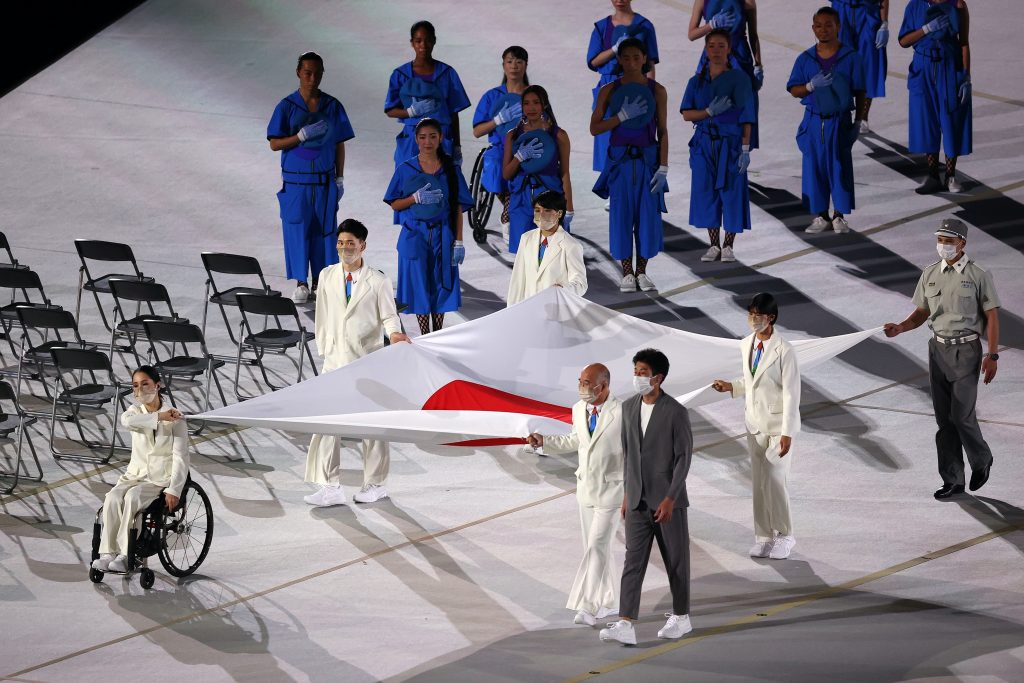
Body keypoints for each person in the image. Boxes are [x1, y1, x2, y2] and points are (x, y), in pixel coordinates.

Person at [884, 218, 999, 499]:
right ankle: (953, 479)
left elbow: (992, 316)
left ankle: (981, 459)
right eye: (941, 240)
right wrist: (901, 327)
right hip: (937, 350)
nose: (943, 245)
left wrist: (992, 354)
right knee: (945, 420)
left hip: (967, 350)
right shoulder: (930, 273)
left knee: (962, 415)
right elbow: (922, 312)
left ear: (962, 243)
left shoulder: (978, 275)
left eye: (949, 240)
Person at [304, 219, 412, 507]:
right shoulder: (327, 275)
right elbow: (323, 313)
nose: (344, 248)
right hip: (335, 359)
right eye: (340, 242)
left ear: (362, 245)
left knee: (373, 427)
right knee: (326, 423)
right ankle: (330, 486)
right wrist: (324, 346)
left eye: (350, 243)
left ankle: (376, 484)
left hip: (367, 361)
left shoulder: (377, 281)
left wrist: (395, 334)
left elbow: (389, 316)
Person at [601, 349, 693, 645]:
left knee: (676, 561)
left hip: (667, 502)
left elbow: (683, 458)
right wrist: (628, 493)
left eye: (643, 371)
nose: (637, 376)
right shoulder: (628, 408)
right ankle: (626, 622)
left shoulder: (676, 412)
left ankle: (681, 617)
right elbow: (628, 454)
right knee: (633, 561)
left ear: (658, 377)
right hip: (637, 500)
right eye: (636, 370)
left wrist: (671, 498)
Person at [527, 363, 623, 626]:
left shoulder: (622, 412)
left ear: (602, 386)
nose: (581, 387)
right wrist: (544, 441)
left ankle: (588, 606)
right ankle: (611, 601)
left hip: (613, 491)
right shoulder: (578, 408)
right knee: (597, 550)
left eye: (586, 383)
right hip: (586, 490)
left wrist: (633, 492)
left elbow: (635, 454)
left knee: (596, 547)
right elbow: (574, 440)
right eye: (579, 381)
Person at [712, 293, 801, 560]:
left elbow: (791, 393)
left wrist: (787, 432)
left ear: (770, 317)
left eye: (757, 315)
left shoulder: (785, 350)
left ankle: (785, 535)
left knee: (775, 479)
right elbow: (751, 380)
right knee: (760, 483)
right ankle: (763, 536)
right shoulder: (746, 344)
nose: (752, 319)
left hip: (778, 427)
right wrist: (732, 386)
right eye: (750, 314)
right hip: (754, 424)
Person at [267, 51, 355, 304]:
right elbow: (275, 143)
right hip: (296, 183)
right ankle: (301, 283)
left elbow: (339, 142)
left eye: (317, 73)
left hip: (324, 182)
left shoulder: (332, 106)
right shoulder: (287, 107)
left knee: (324, 232)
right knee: (297, 230)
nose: (312, 78)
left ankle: (319, 281)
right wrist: (299, 137)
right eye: (307, 72)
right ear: (298, 73)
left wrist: (340, 178)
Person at [590, 39, 669, 293]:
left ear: (644, 58)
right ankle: (626, 272)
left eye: (637, 57)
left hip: (647, 162)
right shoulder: (609, 91)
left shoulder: (657, 90)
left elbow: (663, 131)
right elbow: (595, 128)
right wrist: (620, 117)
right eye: (626, 57)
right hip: (620, 163)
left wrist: (663, 167)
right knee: (622, 216)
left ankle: (642, 271)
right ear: (620, 60)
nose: (632, 62)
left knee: (647, 217)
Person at [91, 367, 188, 573]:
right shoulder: (135, 412)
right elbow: (127, 422)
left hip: (158, 478)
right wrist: (160, 417)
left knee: (133, 498)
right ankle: (108, 553)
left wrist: (174, 490)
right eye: (135, 385)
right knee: (113, 497)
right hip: (134, 474)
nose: (140, 389)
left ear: (157, 385)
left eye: (145, 383)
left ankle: (127, 554)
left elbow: (181, 457)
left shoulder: (176, 417)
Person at [385, 118, 473, 336]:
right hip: (415, 235)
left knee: (441, 286)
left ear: (440, 138)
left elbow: (457, 206)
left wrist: (459, 240)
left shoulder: (450, 169)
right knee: (420, 286)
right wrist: (414, 198)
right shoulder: (406, 169)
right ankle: (425, 336)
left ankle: (437, 335)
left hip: (443, 234)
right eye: (423, 137)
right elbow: (394, 202)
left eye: (433, 136)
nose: (428, 141)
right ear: (416, 139)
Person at [786, 6, 867, 234]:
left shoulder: (851, 58)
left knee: (839, 167)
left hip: (838, 121)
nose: (823, 30)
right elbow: (794, 89)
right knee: (814, 168)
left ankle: (839, 215)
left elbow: (860, 91)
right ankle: (820, 215)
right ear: (813, 28)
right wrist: (810, 86)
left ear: (838, 27)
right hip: (813, 121)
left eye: (828, 25)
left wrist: (858, 121)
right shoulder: (806, 59)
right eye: (818, 26)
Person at [681, 29, 756, 263]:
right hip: (704, 144)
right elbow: (686, 113)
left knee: (731, 193)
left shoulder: (739, 79)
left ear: (729, 49)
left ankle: (728, 246)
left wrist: (745, 149)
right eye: (711, 45)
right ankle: (713, 244)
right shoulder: (696, 82)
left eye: (721, 46)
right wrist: (708, 112)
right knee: (706, 192)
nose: (716, 50)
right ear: (705, 49)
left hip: (730, 144)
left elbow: (747, 116)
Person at [898, 0, 972, 194]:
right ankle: (932, 175)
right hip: (923, 67)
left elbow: (963, 43)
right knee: (926, 121)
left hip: (949, 66)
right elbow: (904, 41)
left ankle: (951, 175)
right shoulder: (914, 5)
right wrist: (925, 29)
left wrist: (966, 76)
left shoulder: (958, 5)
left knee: (951, 121)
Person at [587, 0, 660, 180]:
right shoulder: (601, 27)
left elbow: (649, 63)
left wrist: (649, 91)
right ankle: (611, 184)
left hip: (636, 85)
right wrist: (614, 49)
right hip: (609, 87)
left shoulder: (644, 26)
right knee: (607, 135)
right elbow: (593, 61)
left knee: (635, 132)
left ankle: (634, 178)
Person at [385, 21, 470, 171]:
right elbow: (390, 110)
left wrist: (457, 146)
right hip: (412, 138)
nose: (423, 45)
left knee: (442, 183)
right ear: (412, 43)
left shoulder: (447, 73)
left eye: (428, 40)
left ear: (434, 41)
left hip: (441, 137)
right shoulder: (400, 75)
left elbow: (453, 113)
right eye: (418, 41)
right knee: (409, 182)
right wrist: (410, 112)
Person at [501, 85, 574, 254]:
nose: (531, 108)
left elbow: (564, 172)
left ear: (544, 105)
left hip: (549, 197)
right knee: (525, 256)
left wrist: (569, 206)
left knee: (549, 255)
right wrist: (519, 157)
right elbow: (506, 174)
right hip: (521, 199)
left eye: (536, 102)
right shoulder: (512, 135)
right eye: (526, 103)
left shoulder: (559, 135)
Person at [472, 46, 529, 246]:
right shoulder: (492, 96)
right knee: (496, 165)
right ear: (503, 66)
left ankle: (508, 215)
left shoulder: (532, 95)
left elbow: (547, 123)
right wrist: (497, 121)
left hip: (525, 148)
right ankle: (508, 214)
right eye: (510, 61)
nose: (514, 66)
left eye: (519, 62)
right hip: (499, 148)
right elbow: (477, 131)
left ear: (526, 65)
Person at [687, 0, 763, 149]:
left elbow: (753, 34)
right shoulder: (702, 1)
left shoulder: (748, 1)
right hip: (713, 56)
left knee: (742, 109)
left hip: (740, 58)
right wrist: (711, 25)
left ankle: (741, 150)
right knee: (711, 104)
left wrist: (758, 65)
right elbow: (691, 34)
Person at [507, 191, 587, 306]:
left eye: (547, 210)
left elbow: (580, 284)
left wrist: (563, 289)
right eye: (537, 210)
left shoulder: (571, 246)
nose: (541, 215)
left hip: (556, 310)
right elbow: (517, 280)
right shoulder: (526, 238)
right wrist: (511, 311)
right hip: (529, 310)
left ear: (559, 213)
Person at [832, 0, 890, 134]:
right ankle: (842, 113)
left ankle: (862, 116)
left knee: (869, 65)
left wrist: (884, 23)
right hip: (841, 11)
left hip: (867, 12)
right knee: (840, 63)